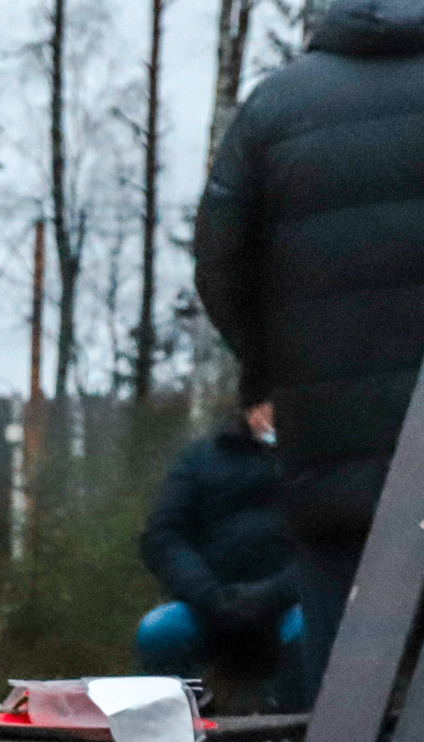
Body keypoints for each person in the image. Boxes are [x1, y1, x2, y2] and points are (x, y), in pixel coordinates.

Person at [196, 0, 424, 700]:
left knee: (343, 650)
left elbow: (218, 260)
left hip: (326, 433)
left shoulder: (274, 106)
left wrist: (266, 369)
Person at [135, 401, 304, 742]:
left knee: (312, 632)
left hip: (288, 603)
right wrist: (209, 595)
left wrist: (273, 593)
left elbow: (331, 546)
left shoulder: (313, 462)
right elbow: (162, 535)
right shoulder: (202, 457)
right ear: (249, 406)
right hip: (209, 602)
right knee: (158, 632)